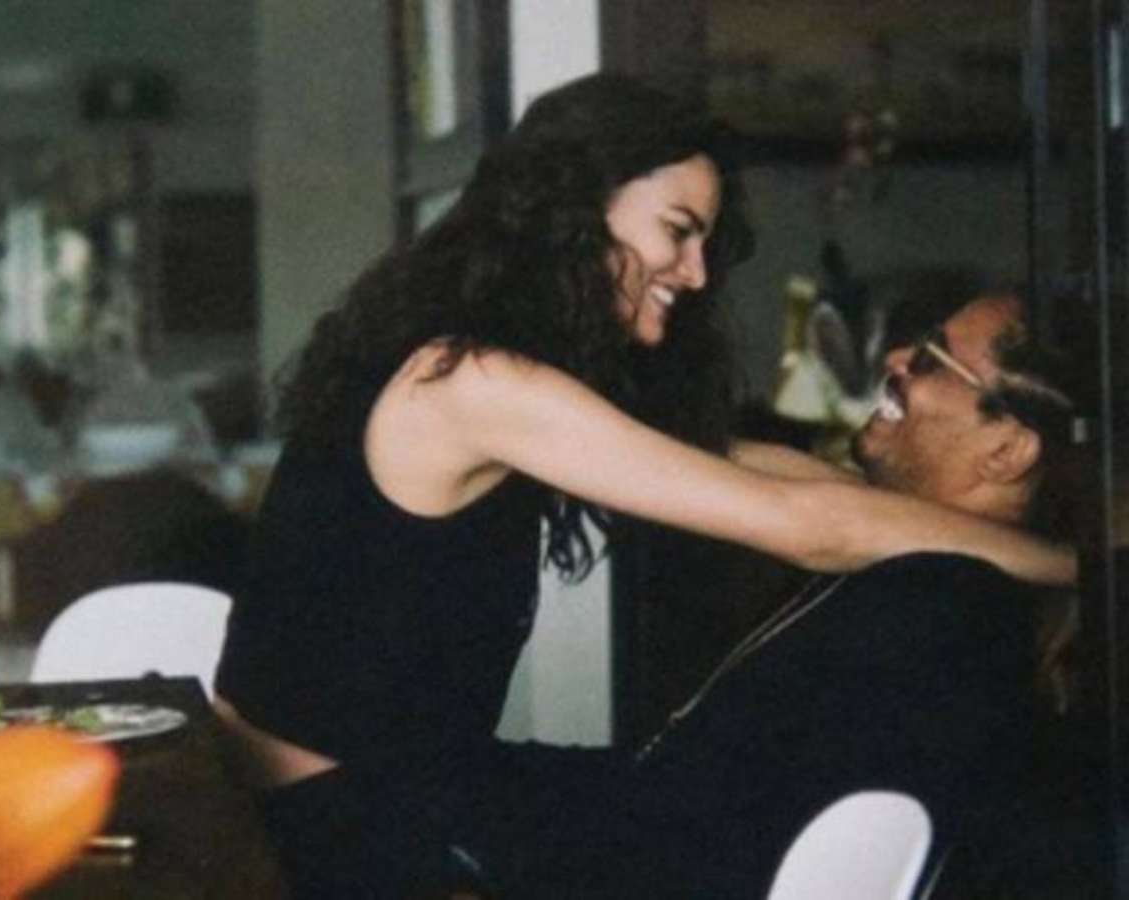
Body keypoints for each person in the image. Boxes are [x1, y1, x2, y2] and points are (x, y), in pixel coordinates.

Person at [212, 73, 1074, 897]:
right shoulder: (474, 383)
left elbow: (768, 470)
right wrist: (1079, 567)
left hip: (411, 783)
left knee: (653, 806)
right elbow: (805, 522)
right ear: (577, 211)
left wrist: (1036, 535)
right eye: (678, 230)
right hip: (335, 821)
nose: (695, 272)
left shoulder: (498, 364)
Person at [504, 292, 1083, 898]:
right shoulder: (926, 576)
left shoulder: (937, 617)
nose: (896, 357)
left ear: (1006, 451)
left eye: (931, 358)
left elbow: (721, 848)